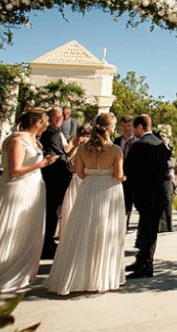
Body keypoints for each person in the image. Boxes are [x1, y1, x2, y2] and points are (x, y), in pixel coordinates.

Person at [46, 113, 126, 295]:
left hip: (88, 187)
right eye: (113, 125)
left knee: (84, 229)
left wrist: (93, 175)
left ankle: (78, 275)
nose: (115, 128)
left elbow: (79, 173)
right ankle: (99, 277)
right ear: (108, 128)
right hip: (109, 189)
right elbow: (118, 175)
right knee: (104, 230)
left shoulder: (82, 148)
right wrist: (124, 177)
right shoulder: (115, 150)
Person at [0, 109, 59, 291]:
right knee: (9, 229)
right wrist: (43, 163)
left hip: (32, 189)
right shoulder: (17, 140)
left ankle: (19, 271)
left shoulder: (33, 140)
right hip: (16, 190)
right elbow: (14, 171)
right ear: (37, 122)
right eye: (45, 121)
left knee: (26, 230)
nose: (47, 125)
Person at [124, 114, 172, 279]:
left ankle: (146, 266)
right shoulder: (161, 145)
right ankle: (141, 260)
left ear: (139, 127)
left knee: (148, 231)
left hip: (145, 194)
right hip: (159, 195)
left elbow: (128, 170)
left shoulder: (139, 146)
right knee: (146, 230)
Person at [40, 108, 75, 259]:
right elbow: (60, 156)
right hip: (54, 177)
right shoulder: (51, 133)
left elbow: (64, 154)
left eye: (63, 117)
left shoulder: (56, 132)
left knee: (55, 211)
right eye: (59, 117)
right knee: (52, 211)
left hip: (57, 176)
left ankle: (48, 242)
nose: (61, 119)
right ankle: (47, 244)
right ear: (52, 118)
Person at [58, 124, 92, 235]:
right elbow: (69, 161)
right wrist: (76, 146)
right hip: (75, 179)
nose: (85, 138)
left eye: (87, 136)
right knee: (71, 207)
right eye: (83, 135)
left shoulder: (92, 147)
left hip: (85, 179)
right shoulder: (77, 145)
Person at [114, 115, 136, 231]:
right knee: (119, 202)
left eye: (129, 126)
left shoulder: (137, 141)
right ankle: (119, 224)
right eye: (125, 126)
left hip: (133, 178)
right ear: (121, 126)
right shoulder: (116, 142)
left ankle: (124, 225)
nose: (127, 129)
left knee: (128, 203)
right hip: (119, 177)